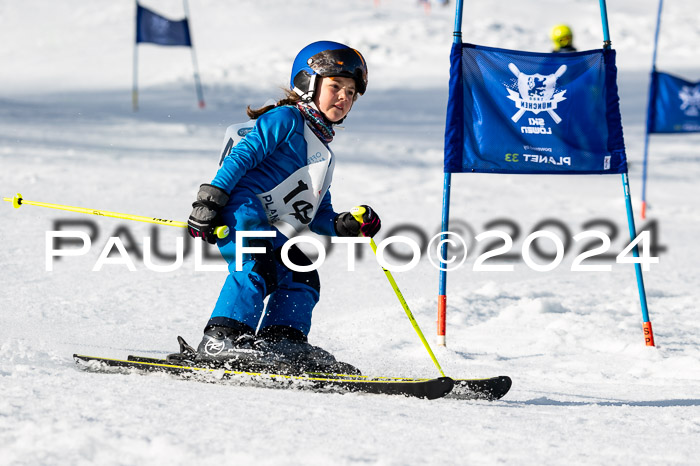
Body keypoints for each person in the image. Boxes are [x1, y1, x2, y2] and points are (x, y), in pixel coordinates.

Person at [176, 41, 381, 375]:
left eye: (351, 92)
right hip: (241, 210)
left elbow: (317, 212)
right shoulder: (285, 118)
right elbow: (243, 156)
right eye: (335, 87)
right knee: (256, 265)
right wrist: (208, 200)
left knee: (301, 272)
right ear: (307, 83)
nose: (344, 98)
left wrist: (346, 224)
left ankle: (282, 341)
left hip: (273, 226)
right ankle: (221, 339)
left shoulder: (323, 152)